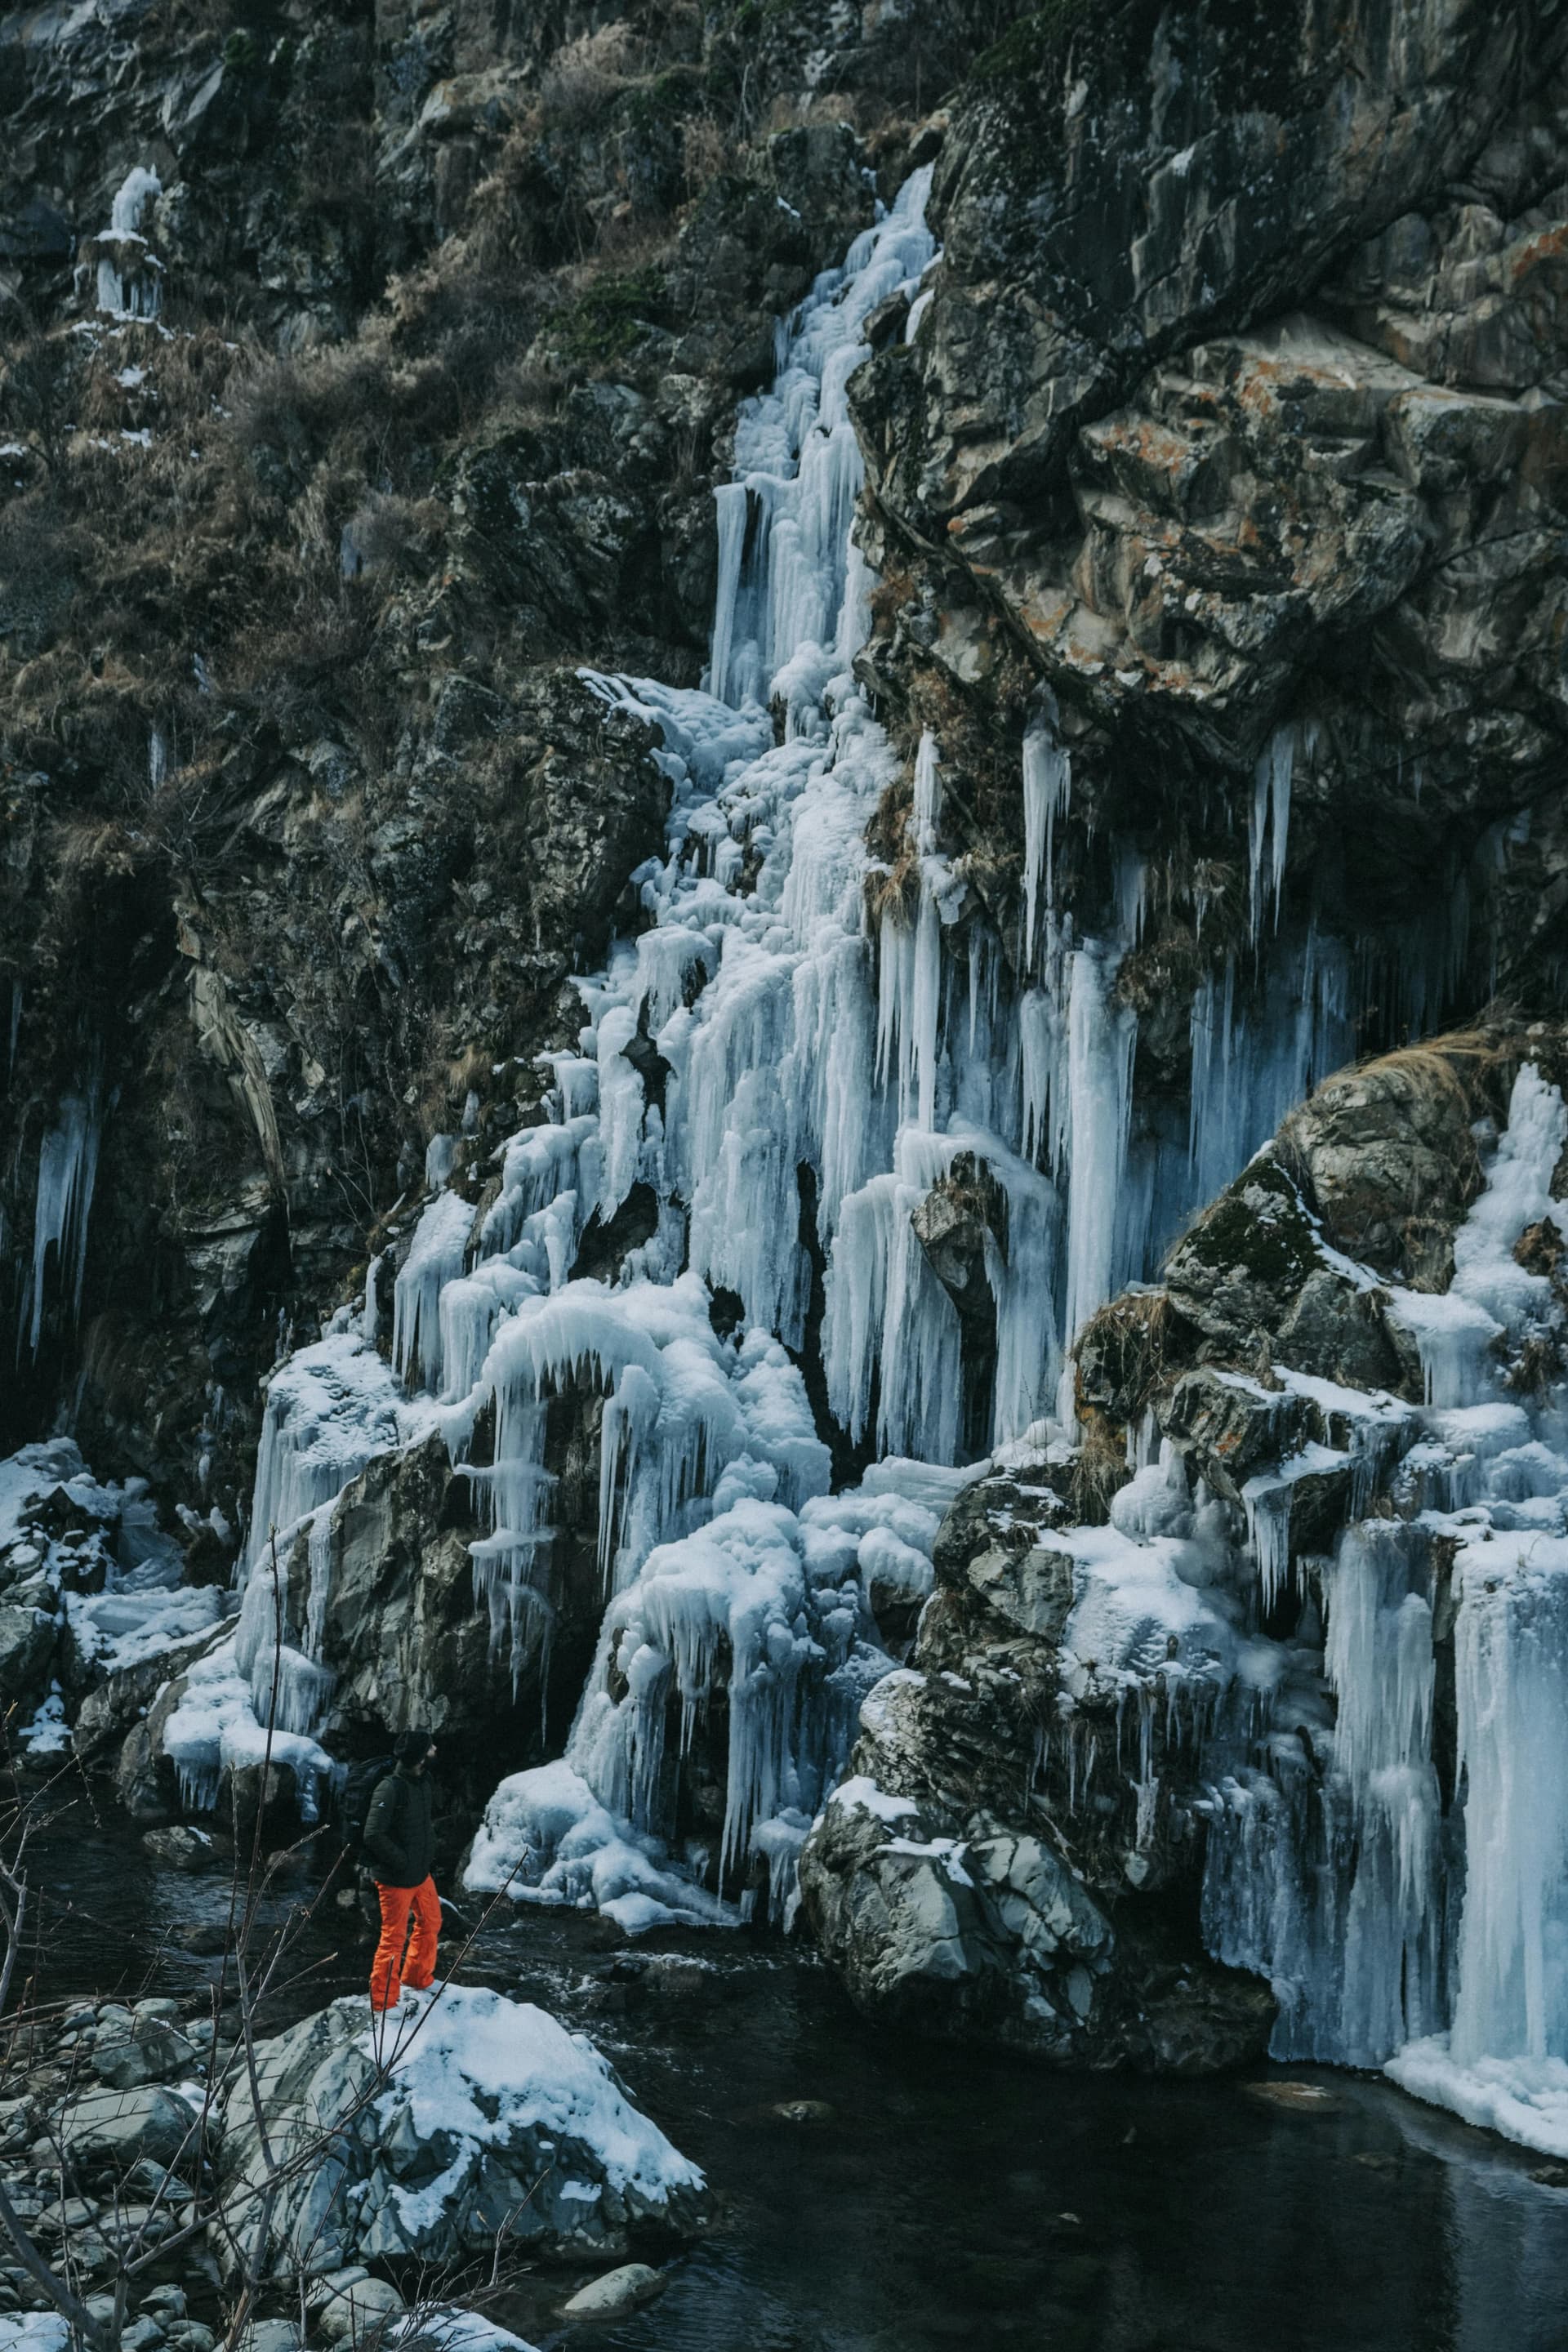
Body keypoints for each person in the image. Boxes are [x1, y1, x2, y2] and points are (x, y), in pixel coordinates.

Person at [364, 1726, 440, 2014]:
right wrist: (402, 1861)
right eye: (431, 1748)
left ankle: (417, 1978)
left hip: (420, 1874)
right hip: (396, 1879)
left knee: (431, 1922)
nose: (435, 1752)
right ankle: (383, 2004)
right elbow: (372, 1834)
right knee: (393, 1939)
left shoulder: (423, 1782)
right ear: (421, 1756)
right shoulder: (390, 1788)